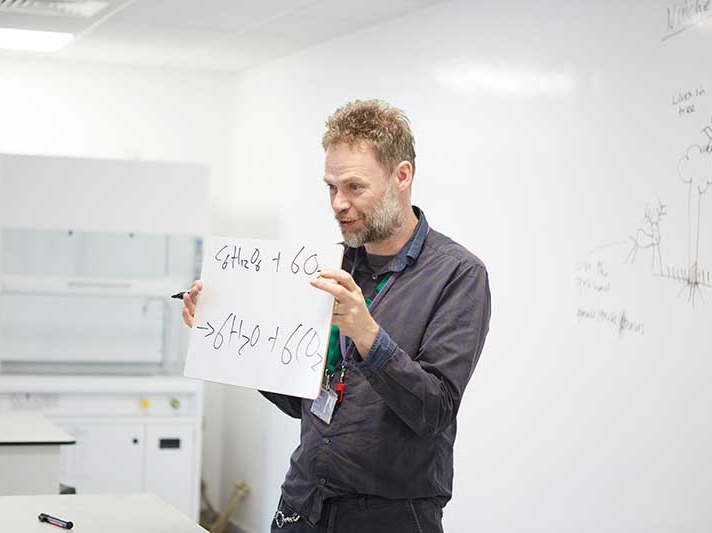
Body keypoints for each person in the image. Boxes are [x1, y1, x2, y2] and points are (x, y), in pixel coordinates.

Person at [182, 99, 491, 532]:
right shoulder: (332, 265)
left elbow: (434, 410)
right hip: (304, 504)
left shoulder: (457, 274)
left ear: (402, 176)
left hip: (390, 516)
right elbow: (300, 400)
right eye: (330, 187)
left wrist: (368, 336)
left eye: (354, 187)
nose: (338, 203)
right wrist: (230, 335)